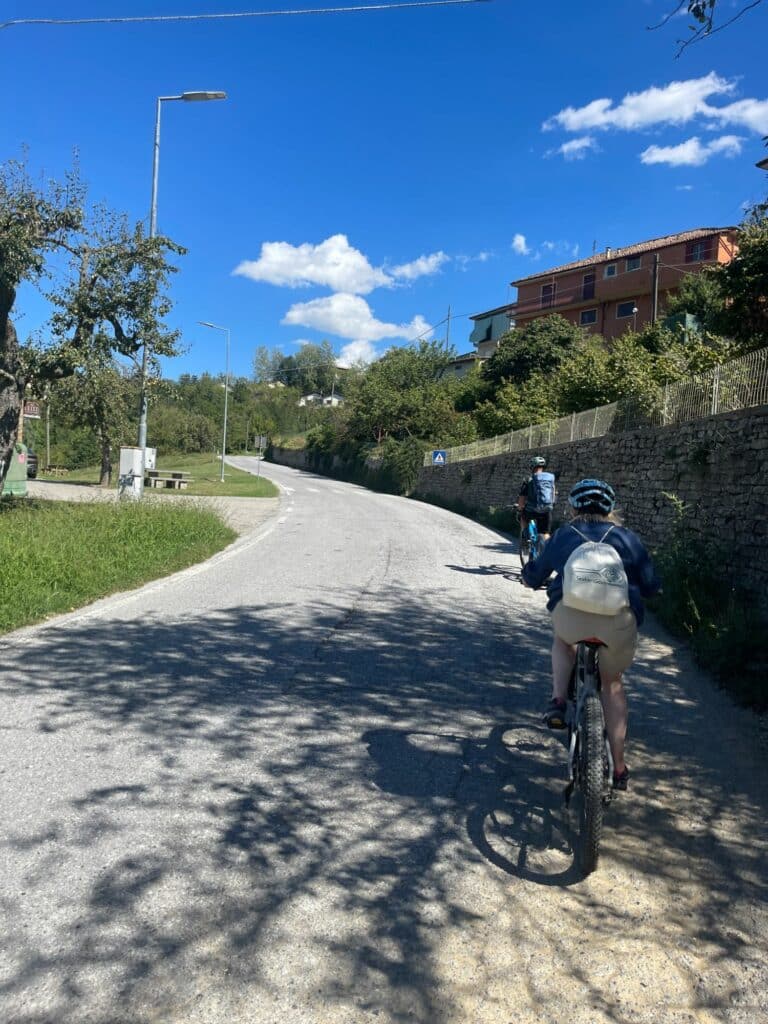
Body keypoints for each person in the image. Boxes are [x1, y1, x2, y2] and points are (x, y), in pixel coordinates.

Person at [521, 478, 661, 790]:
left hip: (572, 618)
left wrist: (528, 577)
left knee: (562, 641)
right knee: (612, 684)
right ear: (611, 509)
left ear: (573, 507)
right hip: (617, 624)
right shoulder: (627, 539)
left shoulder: (563, 535)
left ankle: (558, 700)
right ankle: (620, 769)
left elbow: (536, 574)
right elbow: (652, 586)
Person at [517, 455, 556, 544]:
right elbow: (553, 494)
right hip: (547, 509)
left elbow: (522, 497)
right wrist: (551, 505)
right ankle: (546, 550)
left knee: (523, 517)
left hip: (532, 509)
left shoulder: (529, 480)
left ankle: (526, 537)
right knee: (545, 533)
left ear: (532, 467)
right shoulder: (549, 479)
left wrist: (520, 508)